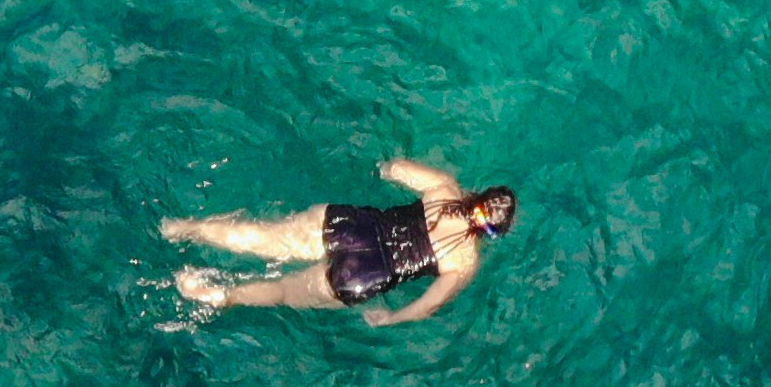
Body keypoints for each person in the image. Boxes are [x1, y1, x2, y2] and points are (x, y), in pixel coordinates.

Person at [168, 157, 518, 323]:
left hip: (351, 226)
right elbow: (428, 306)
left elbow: (393, 168)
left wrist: (383, 168)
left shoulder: (444, 188)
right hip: (364, 274)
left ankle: (182, 228)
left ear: (479, 195)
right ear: (492, 233)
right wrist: (390, 318)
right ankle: (222, 295)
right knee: (282, 291)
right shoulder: (464, 262)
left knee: (260, 238)